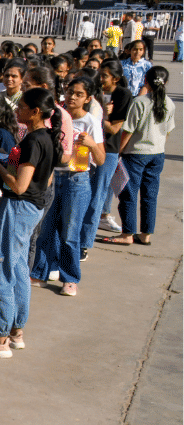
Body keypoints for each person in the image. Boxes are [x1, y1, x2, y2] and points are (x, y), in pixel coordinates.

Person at [0, 88, 63, 359]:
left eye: (21, 107)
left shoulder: (34, 141)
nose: (17, 111)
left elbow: (20, 186)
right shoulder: (45, 138)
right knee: (19, 266)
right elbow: (42, 180)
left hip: (19, 206)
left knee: (0, 267)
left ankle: (0, 337)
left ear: (35, 112)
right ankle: (15, 330)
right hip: (33, 207)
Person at [32, 76, 103, 295]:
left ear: (88, 98)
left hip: (77, 180)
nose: (72, 97)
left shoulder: (90, 122)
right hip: (53, 177)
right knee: (45, 228)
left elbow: (100, 159)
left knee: (70, 233)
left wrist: (91, 144)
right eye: (70, 92)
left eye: (79, 94)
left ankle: (70, 278)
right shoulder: (57, 115)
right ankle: (41, 271)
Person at [102, 66, 174, 248]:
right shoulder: (170, 103)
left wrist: (118, 152)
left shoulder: (140, 102)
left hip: (135, 154)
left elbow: (128, 131)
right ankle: (146, 234)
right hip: (157, 154)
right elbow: (168, 131)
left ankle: (127, 234)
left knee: (129, 194)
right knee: (150, 195)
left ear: (146, 81)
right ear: (165, 83)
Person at [82, 61, 133, 245]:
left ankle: (85, 242)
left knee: (97, 195)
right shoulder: (95, 92)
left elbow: (113, 129)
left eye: (105, 75)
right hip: (84, 147)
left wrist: (99, 116)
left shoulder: (122, 95)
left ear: (116, 78)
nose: (100, 79)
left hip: (107, 150)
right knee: (83, 192)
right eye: (99, 75)